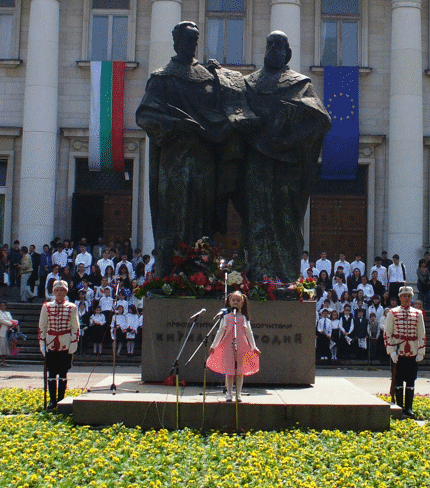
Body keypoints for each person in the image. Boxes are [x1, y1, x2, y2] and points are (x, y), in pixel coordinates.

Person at [136, 20, 257, 276]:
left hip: (204, 159)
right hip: (174, 160)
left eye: (194, 40)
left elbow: (223, 110)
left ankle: (200, 272)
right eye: (187, 40)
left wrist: (221, 78)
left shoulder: (207, 78)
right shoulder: (162, 78)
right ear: (176, 42)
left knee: (203, 215)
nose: (191, 45)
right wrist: (176, 124)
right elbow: (146, 115)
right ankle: (170, 271)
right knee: (174, 215)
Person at [239, 32, 331, 281]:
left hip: (288, 164)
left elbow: (321, 121)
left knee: (286, 219)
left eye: (280, 46)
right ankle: (258, 273)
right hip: (257, 160)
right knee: (257, 217)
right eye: (271, 44)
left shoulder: (300, 84)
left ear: (288, 53)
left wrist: (290, 139)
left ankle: (286, 276)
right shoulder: (249, 83)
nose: (274, 49)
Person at [207, 290, 260, 402]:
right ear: (229, 302)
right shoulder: (226, 317)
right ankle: (229, 394)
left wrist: (253, 346)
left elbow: (249, 332)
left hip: (241, 345)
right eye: (233, 300)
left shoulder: (244, 318)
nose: (235, 302)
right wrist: (213, 345)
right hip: (228, 345)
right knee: (229, 371)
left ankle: (238, 394)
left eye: (238, 300)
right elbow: (220, 332)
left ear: (242, 303)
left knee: (239, 371)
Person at [384, 284, 426, 418]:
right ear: (400, 298)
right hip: (398, 350)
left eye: (408, 296)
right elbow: (387, 333)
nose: (406, 298)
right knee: (398, 380)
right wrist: (391, 351)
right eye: (404, 296)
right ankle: (399, 408)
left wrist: (421, 351)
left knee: (411, 380)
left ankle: (409, 408)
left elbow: (422, 334)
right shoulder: (393, 312)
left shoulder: (418, 313)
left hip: (412, 351)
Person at [38, 279, 80, 409]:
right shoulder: (46, 306)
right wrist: (42, 345)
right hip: (51, 342)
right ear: (53, 292)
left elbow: (75, 327)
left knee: (63, 372)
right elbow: (42, 327)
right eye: (57, 290)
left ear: (66, 292)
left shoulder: (72, 307)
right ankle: (52, 400)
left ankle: (61, 399)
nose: (60, 293)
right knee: (51, 372)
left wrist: (73, 344)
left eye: (62, 290)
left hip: (65, 342)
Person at [0, 301, 15, 366]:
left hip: (7, 332)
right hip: (1, 332)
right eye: (1, 305)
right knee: (2, 347)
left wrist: (12, 323)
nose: (3, 307)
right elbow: (2, 320)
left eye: (4, 305)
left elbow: (11, 319)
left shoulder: (8, 313)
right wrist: (11, 323)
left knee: (2, 347)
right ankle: (3, 361)